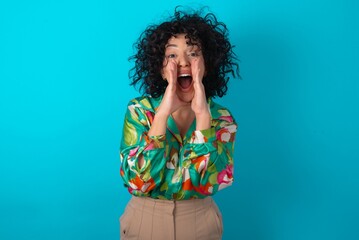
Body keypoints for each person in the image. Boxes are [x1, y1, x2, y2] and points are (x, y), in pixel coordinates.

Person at [119, 7, 239, 240]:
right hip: (145, 219)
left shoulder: (223, 118)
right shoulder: (139, 111)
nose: (183, 62)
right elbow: (138, 182)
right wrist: (162, 116)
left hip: (200, 221)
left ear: (207, 63)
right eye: (172, 55)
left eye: (193, 53)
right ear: (160, 67)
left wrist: (203, 118)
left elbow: (207, 184)